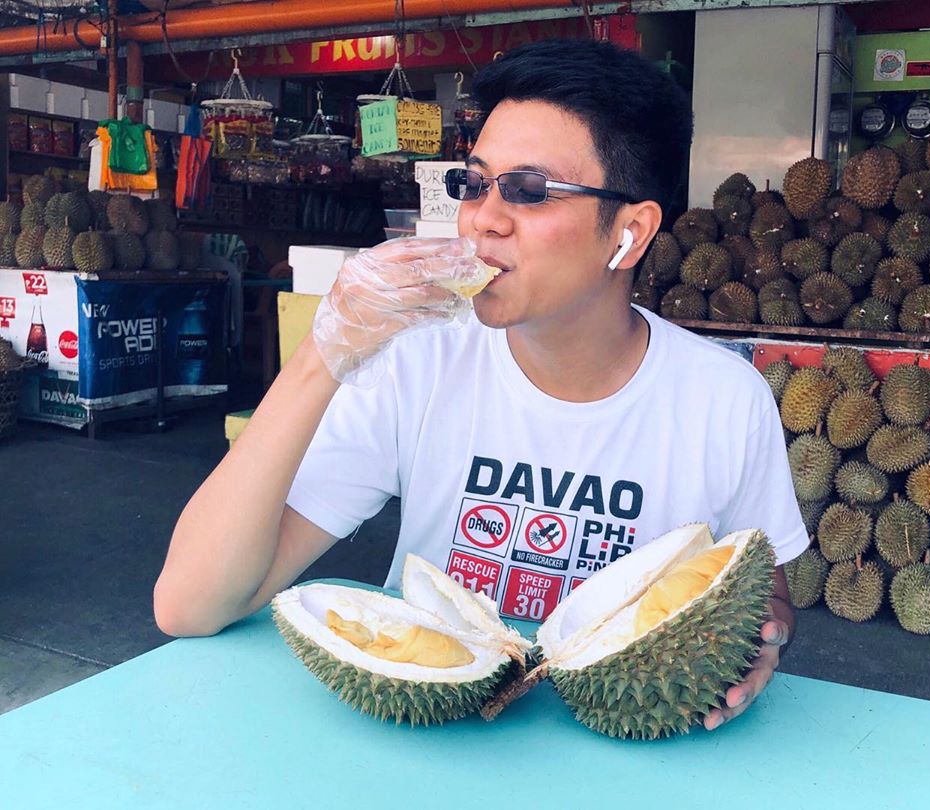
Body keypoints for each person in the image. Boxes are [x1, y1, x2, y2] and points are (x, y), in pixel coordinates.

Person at [155, 38, 809, 731]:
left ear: (630, 233)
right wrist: (325, 354)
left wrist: (767, 637)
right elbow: (189, 603)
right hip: (434, 735)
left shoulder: (724, 398)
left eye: (529, 190)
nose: (483, 218)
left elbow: (763, 592)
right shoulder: (420, 362)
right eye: (472, 183)